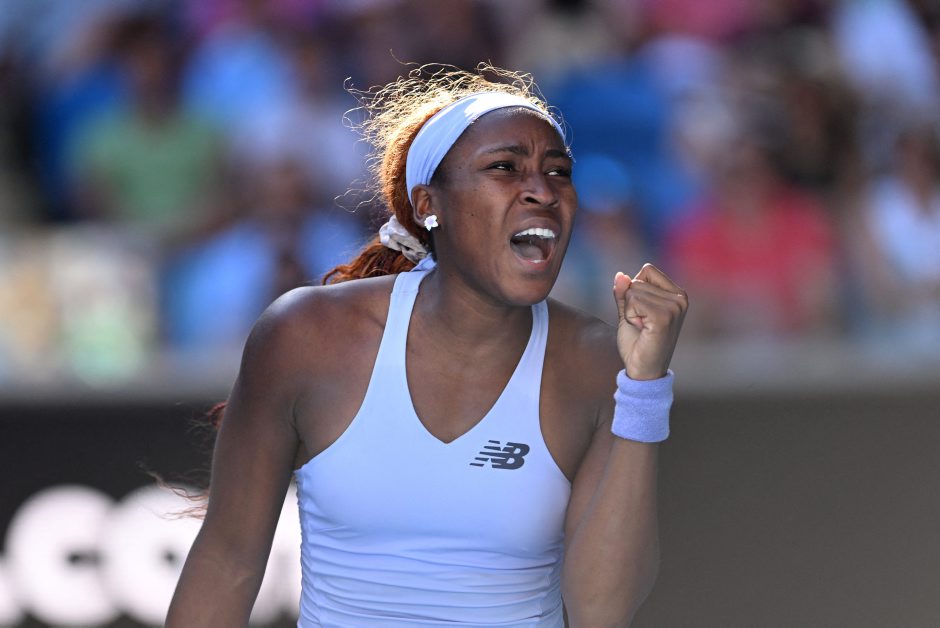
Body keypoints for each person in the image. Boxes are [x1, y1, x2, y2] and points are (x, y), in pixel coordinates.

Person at [166, 64, 688, 627]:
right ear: (426, 205)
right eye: (505, 167)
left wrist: (643, 388)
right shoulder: (305, 335)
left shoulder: (596, 361)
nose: (542, 190)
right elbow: (228, 560)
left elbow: (601, 612)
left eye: (558, 172)